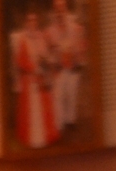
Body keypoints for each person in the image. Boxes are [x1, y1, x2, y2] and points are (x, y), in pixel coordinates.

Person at [10, 11, 59, 149]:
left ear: (37, 22)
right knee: (31, 109)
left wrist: (45, 63)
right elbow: (19, 60)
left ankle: (45, 137)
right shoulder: (22, 40)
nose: (32, 23)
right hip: (29, 79)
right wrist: (32, 67)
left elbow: (46, 55)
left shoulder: (41, 37)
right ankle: (32, 138)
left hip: (41, 78)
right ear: (27, 23)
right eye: (30, 20)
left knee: (44, 107)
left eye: (35, 20)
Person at [44, 0, 86, 132]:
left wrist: (78, 57)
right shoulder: (49, 31)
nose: (60, 11)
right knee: (58, 96)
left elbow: (82, 46)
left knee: (71, 94)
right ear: (54, 11)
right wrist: (52, 65)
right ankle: (59, 123)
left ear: (66, 9)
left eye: (62, 8)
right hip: (58, 68)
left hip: (73, 66)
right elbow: (47, 52)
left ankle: (70, 121)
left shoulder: (76, 28)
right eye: (57, 8)